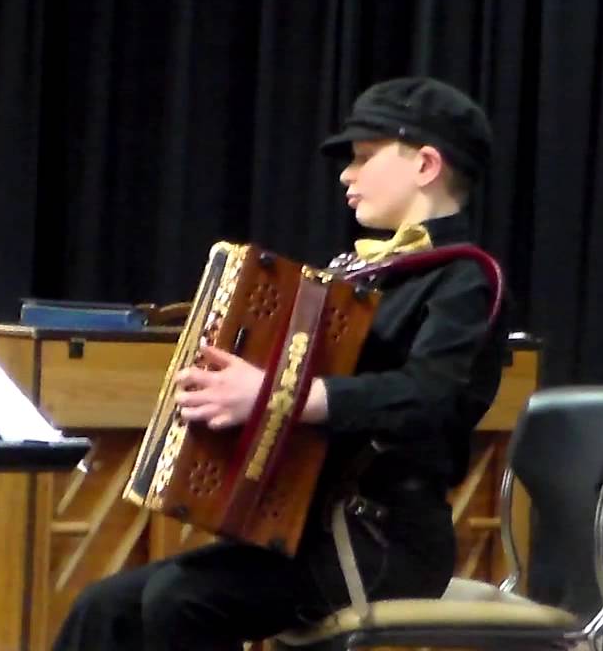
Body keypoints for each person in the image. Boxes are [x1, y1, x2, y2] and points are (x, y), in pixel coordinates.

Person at [52, 76, 508, 651]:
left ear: (425, 165)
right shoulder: (357, 275)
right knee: (106, 606)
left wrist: (277, 395)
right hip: (306, 529)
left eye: (365, 157)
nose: (347, 173)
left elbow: (429, 398)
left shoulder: (467, 279)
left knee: (179, 600)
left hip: (383, 538)